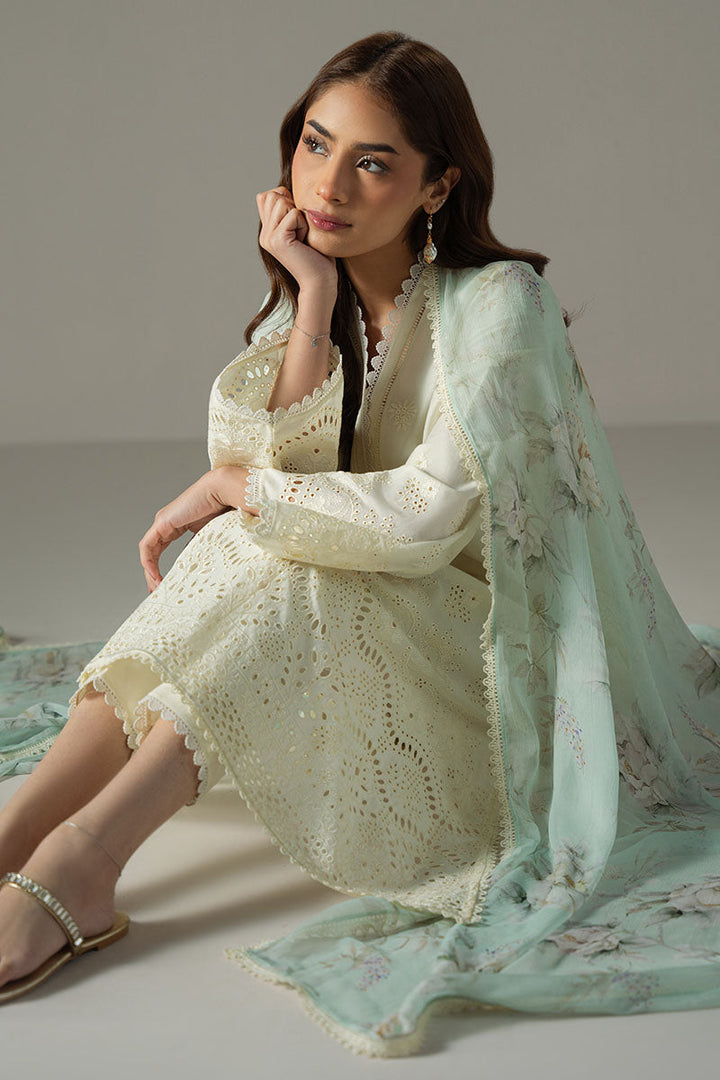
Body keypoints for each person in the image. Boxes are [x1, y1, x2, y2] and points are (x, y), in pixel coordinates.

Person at [2, 30, 719, 1058]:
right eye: (315, 144)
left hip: (487, 680)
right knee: (254, 548)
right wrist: (312, 302)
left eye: (373, 162)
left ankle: (82, 859)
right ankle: (18, 835)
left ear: (439, 186)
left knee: (285, 559)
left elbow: (427, 516)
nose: (329, 186)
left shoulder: (499, 307)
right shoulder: (317, 290)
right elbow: (263, 469)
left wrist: (242, 491)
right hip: (364, 634)